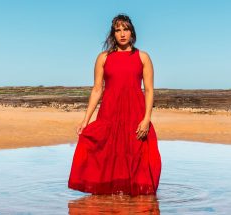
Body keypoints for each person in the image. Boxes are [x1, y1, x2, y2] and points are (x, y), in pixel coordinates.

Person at [68, 13, 161, 196]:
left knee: (135, 156)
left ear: (132, 32)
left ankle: (132, 200)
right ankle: (111, 197)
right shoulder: (103, 58)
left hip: (135, 114)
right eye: (118, 30)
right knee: (108, 155)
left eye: (125, 29)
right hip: (109, 113)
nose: (122, 34)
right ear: (113, 34)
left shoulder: (143, 57)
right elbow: (97, 89)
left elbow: (149, 90)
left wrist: (146, 119)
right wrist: (85, 120)